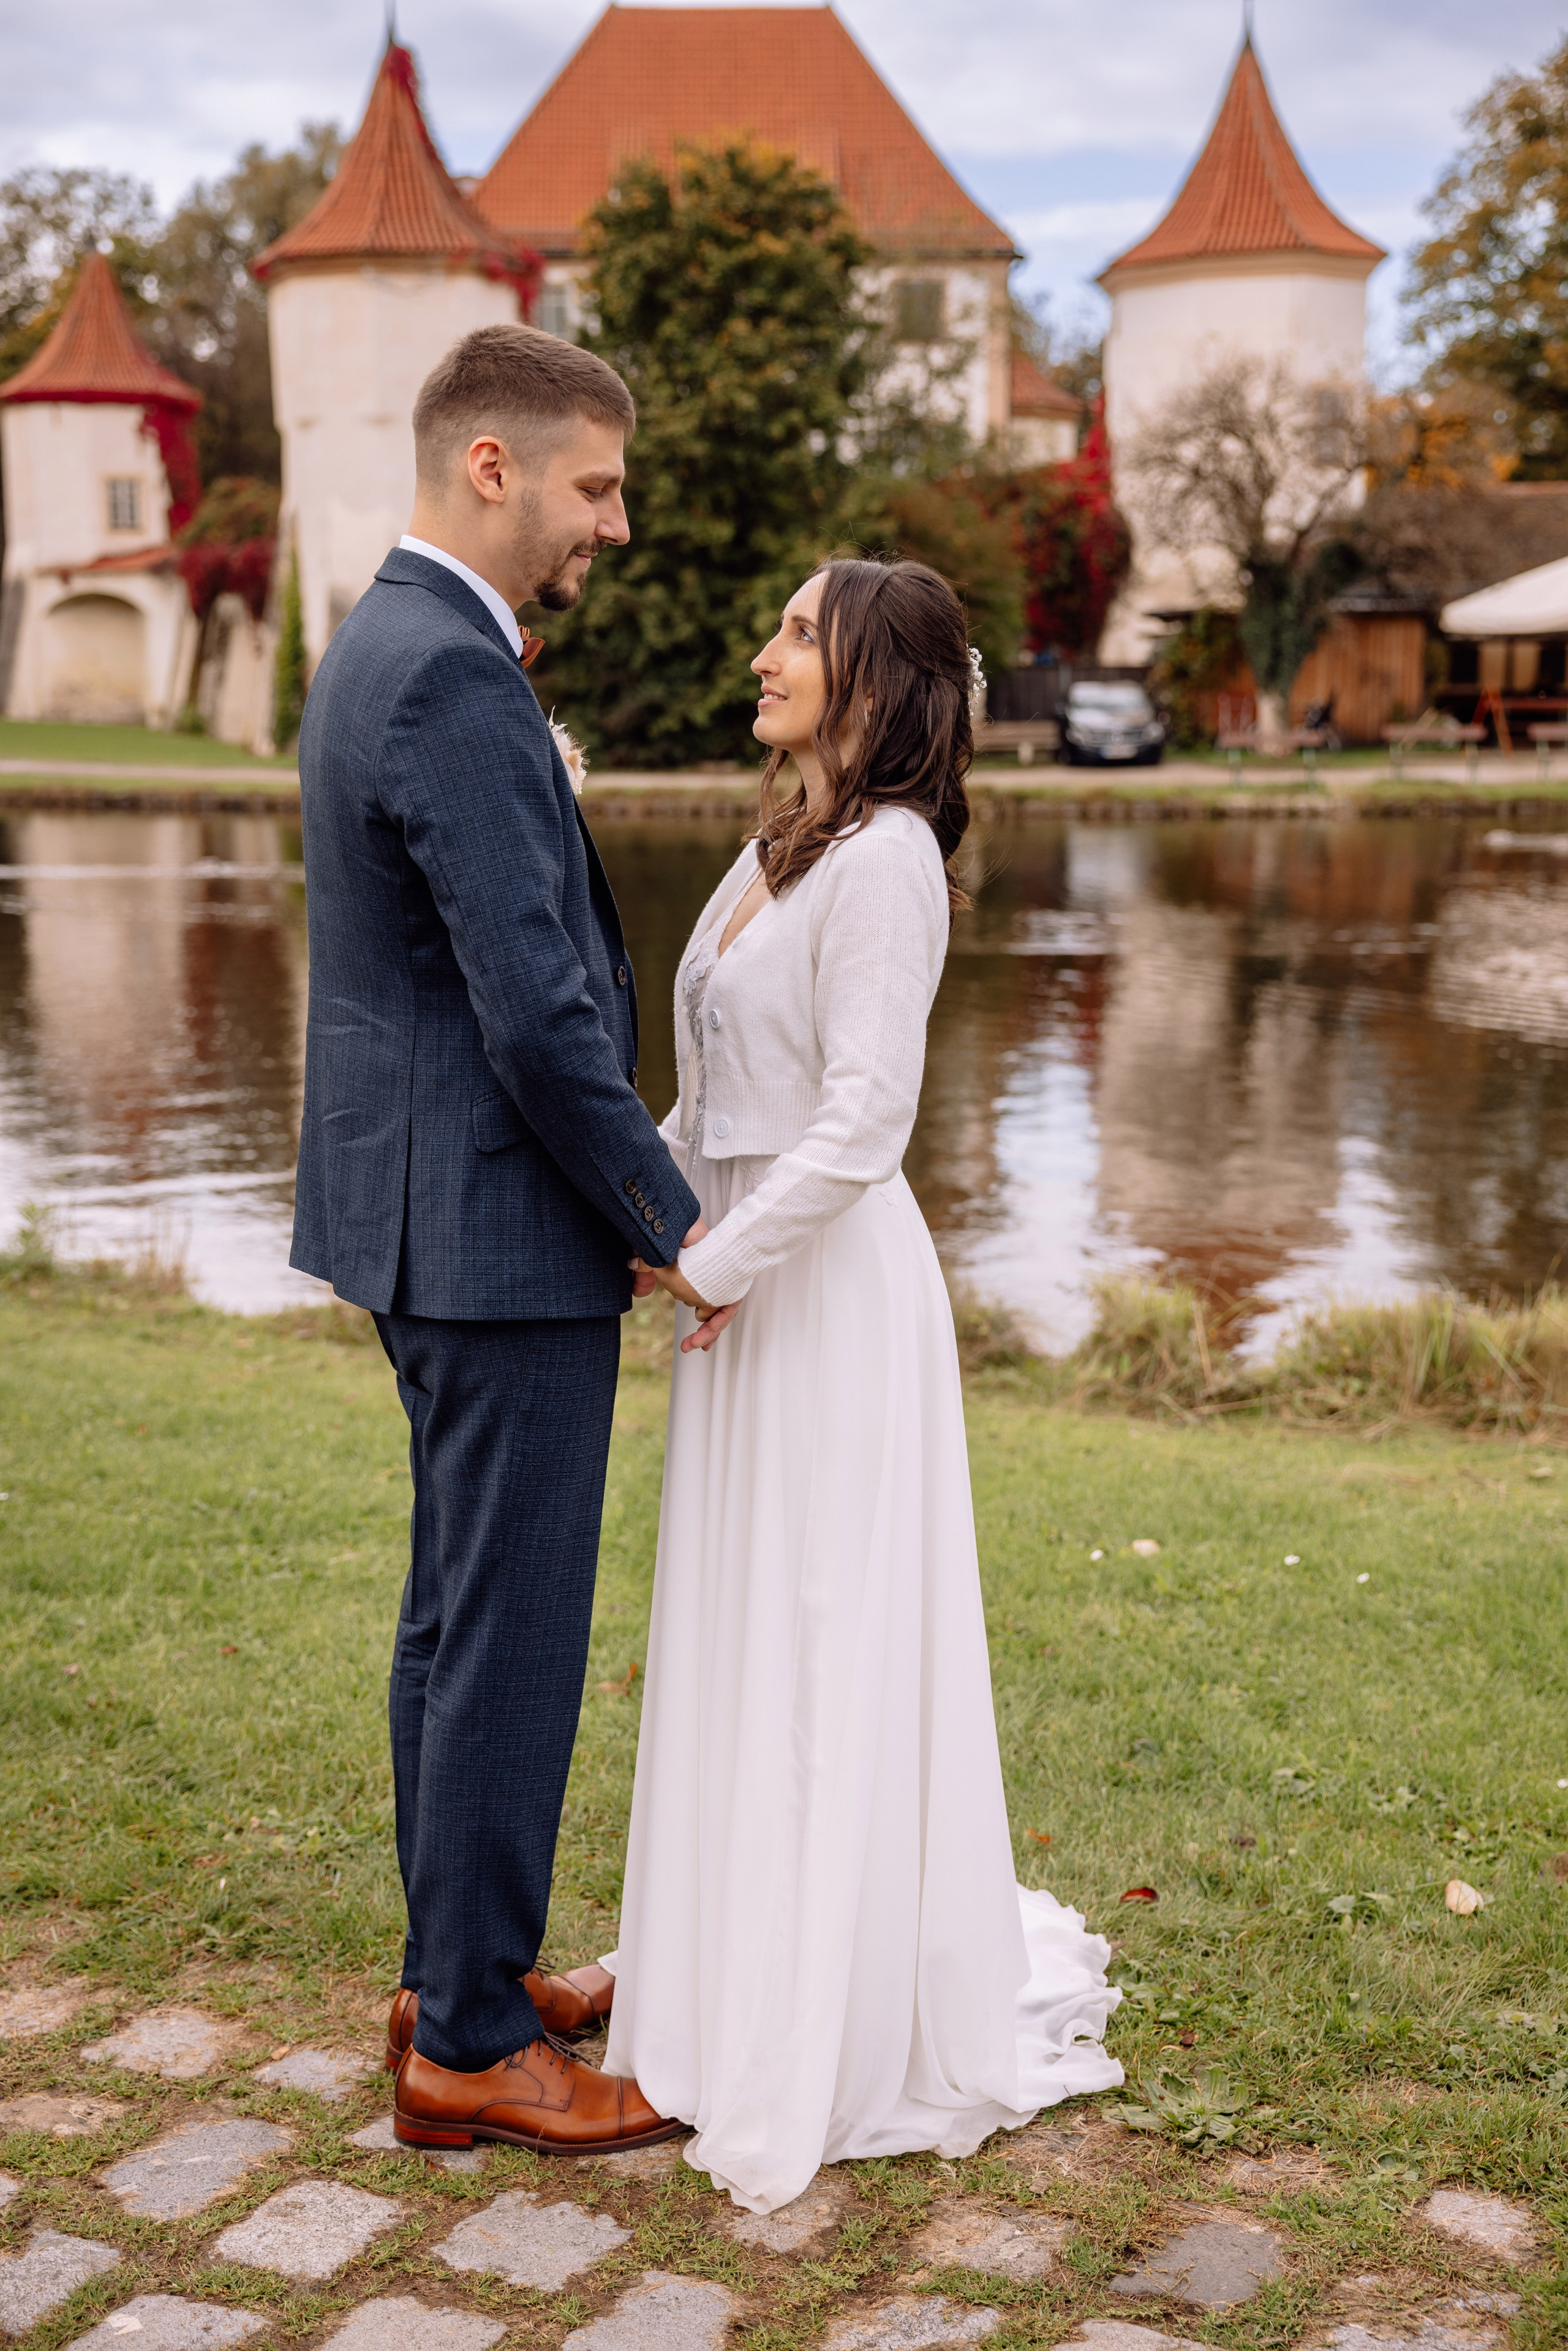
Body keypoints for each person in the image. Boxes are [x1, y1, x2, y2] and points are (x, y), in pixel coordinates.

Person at [602, 558, 1123, 2214]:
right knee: (746, 1620)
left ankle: (817, 2010)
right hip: (750, 1277)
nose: (762, 655)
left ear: (875, 682)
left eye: (796, 636)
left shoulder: (889, 862)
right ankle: (721, 1961)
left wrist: (721, 1264)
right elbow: (715, 1098)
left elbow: (860, 1123)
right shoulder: (781, 845)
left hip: (826, 1295)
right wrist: (648, 1214)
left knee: (821, 1624)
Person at [291, 323, 706, 2156]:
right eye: (596, 487)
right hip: (493, 1231)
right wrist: (669, 1221)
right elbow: (537, 1018)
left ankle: (455, 1972)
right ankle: (470, 2043)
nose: (614, 523)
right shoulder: (452, 675)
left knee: (456, 1620)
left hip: (426, 1213)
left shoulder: (384, 639)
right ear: (494, 466)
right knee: (512, 1635)